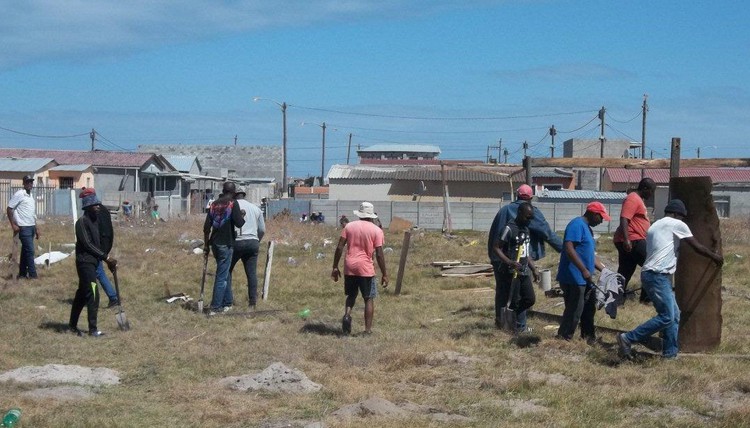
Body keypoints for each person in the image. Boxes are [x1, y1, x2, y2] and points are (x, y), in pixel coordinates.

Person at [617, 199, 723, 360]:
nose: (682, 220)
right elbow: (696, 246)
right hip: (657, 275)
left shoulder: (655, 225)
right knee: (667, 316)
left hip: (652, 275)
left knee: (674, 316)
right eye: (682, 217)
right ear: (676, 214)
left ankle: (670, 354)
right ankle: (628, 338)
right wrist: (715, 257)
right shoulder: (676, 224)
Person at [556, 201, 610, 343]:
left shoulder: (588, 229)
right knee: (575, 310)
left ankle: (588, 337)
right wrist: (583, 270)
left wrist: (605, 270)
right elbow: (569, 248)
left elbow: (590, 255)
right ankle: (563, 338)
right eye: (601, 217)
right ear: (593, 213)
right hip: (573, 277)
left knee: (588, 309)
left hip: (585, 278)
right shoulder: (577, 224)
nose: (602, 220)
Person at [332, 201, 389, 335]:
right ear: (371, 216)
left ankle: (347, 315)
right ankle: (367, 330)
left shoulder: (349, 227)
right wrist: (385, 273)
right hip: (365, 269)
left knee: (351, 295)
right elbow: (379, 254)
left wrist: (335, 266)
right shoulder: (376, 230)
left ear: (360, 214)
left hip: (349, 266)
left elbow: (340, 247)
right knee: (368, 298)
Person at [69, 188, 117, 337]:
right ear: (88, 206)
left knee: (82, 294)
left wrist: (106, 258)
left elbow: (100, 241)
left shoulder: (95, 221)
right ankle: (93, 329)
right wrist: (106, 257)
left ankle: (72, 325)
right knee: (94, 293)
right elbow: (88, 245)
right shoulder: (82, 223)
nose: (98, 207)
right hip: (85, 263)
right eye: (95, 205)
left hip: (94, 262)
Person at [491, 202, 539, 333]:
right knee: (514, 299)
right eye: (527, 217)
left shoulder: (526, 229)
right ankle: (514, 327)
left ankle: (514, 320)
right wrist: (509, 262)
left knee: (529, 299)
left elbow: (525, 252)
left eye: (531, 218)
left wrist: (534, 269)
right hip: (511, 272)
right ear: (519, 213)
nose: (529, 220)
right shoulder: (509, 228)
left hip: (523, 271)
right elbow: (496, 247)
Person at [487, 184, 563, 263]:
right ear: (531, 198)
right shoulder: (531, 212)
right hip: (521, 259)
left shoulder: (503, 210)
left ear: (517, 195)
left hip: (500, 258)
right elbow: (547, 233)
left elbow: (493, 233)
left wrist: (493, 256)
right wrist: (564, 249)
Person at [203, 182, 245, 315]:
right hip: (226, 243)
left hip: (214, 243)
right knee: (222, 276)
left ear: (223, 190)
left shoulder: (214, 204)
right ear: (233, 193)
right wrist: (242, 215)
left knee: (225, 272)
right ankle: (215, 307)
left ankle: (227, 302)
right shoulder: (233, 203)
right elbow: (239, 223)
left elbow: (206, 228)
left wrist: (206, 245)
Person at [613, 178, 656, 303]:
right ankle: (646, 299)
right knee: (652, 266)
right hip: (633, 239)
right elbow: (624, 218)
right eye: (651, 191)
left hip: (632, 239)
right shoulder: (632, 198)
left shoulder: (638, 200)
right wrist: (627, 239)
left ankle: (615, 300)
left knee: (625, 270)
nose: (651, 194)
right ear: (645, 188)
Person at [79, 188, 119, 308]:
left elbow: (98, 231)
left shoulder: (95, 212)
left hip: (98, 246)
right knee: (92, 272)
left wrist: (102, 252)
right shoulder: (103, 210)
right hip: (103, 245)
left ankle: (112, 297)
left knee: (97, 272)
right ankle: (87, 296)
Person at [228, 186, 265, 310]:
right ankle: (252, 302)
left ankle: (228, 300)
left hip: (237, 241)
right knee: (251, 273)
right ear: (244, 194)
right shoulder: (255, 208)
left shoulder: (231, 206)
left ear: (234, 194)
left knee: (227, 270)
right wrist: (257, 240)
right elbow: (262, 229)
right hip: (252, 241)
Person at [6, 175, 41, 279]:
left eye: (31, 182)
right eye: (27, 182)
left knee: (26, 251)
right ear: (23, 183)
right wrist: (13, 225)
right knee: (30, 251)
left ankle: (22, 274)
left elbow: (32, 213)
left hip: (31, 227)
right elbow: (9, 209)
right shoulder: (19, 194)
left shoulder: (31, 196)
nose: (30, 184)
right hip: (23, 227)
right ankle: (33, 275)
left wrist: (36, 228)